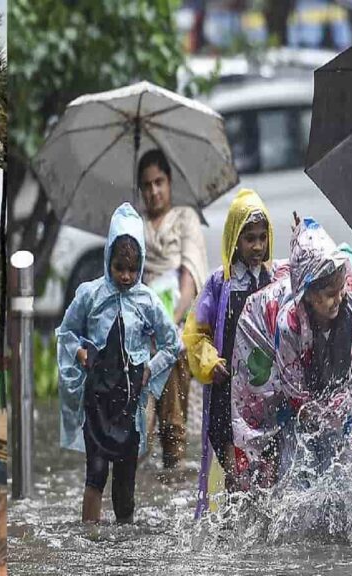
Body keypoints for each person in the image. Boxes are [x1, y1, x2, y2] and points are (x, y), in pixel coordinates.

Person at [231, 217, 352, 489]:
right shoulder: (287, 325)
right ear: (307, 295)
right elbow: (302, 404)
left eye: (339, 291)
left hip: (322, 373)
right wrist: (349, 403)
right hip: (263, 351)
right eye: (328, 294)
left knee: (339, 462)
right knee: (290, 455)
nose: (337, 299)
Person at [57, 202, 180, 523]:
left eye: (131, 268)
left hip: (129, 404)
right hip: (96, 400)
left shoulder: (147, 300)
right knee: (95, 475)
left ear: (140, 265)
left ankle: (124, 547)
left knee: (125, 486)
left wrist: (151, 369)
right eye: (119, 267)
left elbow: (172, 343)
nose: (125, 276)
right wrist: (81, 353)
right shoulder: (89, 295)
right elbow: (67, 332)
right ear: (108, 259)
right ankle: (90, 538)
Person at [183, 189, 278, 516]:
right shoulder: (219, 285)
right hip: (227, 394)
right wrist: (210, 362)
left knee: (267, 471)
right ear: (234, 240)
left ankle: (259, 531)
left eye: (261, 238)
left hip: (265, 393)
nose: (256, 246)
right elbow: (196, 334)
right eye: (248, 238)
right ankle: (232, 529)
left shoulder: (273, 280)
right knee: (234, 469)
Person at [137, 149, 209, 469]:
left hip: (177, 322)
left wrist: (168, 323)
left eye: (159, 182)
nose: (154, 191)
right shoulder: (134, 226)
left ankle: (174, 458)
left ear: (170, 183)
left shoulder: (185, 219)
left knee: (174, 351)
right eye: (147, 185)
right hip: (140, 325)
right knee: (136, 431)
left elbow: (190, 278)